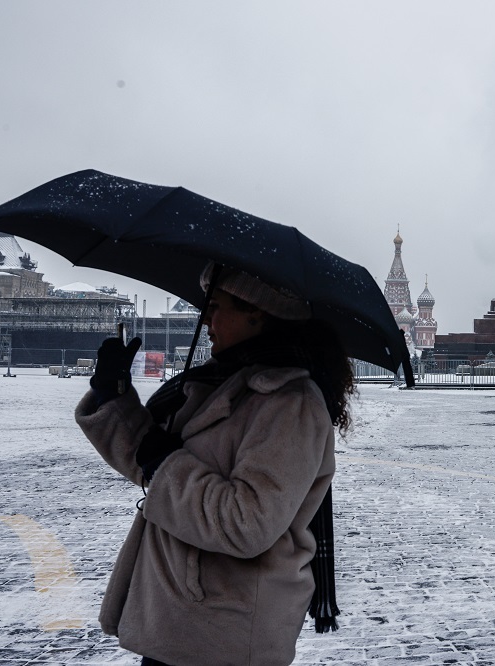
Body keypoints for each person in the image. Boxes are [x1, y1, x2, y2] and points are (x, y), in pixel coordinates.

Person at [75, 263, 354, 666]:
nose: (206, 317)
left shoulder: (288, 403)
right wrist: (113, 396)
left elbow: (247, 523)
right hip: (182, 620)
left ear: (256, 313)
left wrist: (165, 464)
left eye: (218, 305)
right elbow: (151, 464)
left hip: (223, 633)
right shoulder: (217, 385)